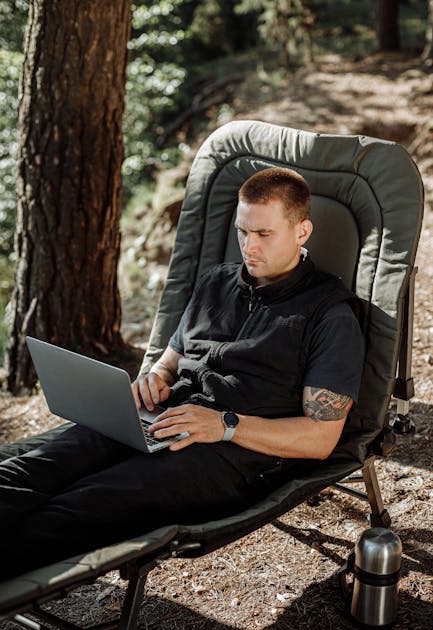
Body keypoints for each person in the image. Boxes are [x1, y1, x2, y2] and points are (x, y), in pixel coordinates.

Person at [0, 168, 364, 579]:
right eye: (243, 231)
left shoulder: (329, 315)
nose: (249, 246)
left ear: (302, 231)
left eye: (264, 233)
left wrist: (224, 425)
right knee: (33, 468)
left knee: (82, 504)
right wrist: (154, 379)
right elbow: (170, 361)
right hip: (161, 418)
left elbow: (320, 438)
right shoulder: (216, 282)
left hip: (229, 455)